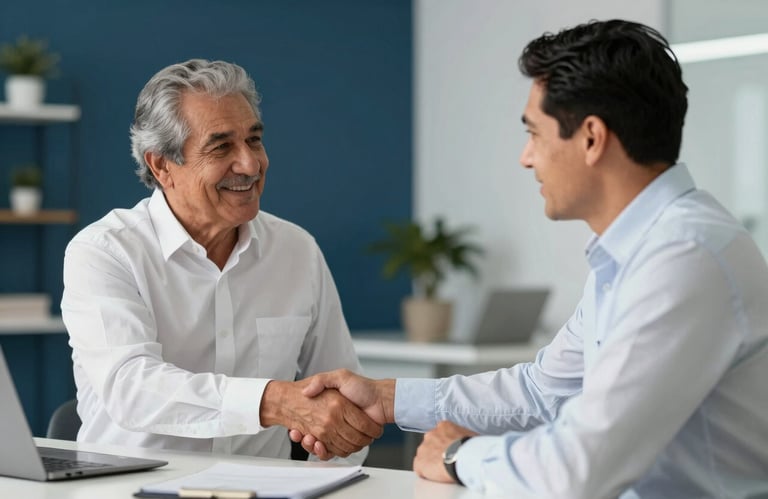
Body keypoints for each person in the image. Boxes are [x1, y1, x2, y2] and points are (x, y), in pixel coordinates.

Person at [292, 19, 768, 497]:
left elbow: (579, 468)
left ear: (591, 138)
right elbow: (542, 392)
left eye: (535, 134)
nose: (526, 157)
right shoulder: (639, 252)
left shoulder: (684, 256)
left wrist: (458, 455)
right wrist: (387, 398)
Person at [60, 59, 380, 463]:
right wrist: (273, 400)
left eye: (254, 140)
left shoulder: (297, 250)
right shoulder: (104, 252)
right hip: (132, 488)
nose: (250, 164)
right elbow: (132, 388)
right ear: (161, 165)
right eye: (221, 146)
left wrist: (327, 478)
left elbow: (342, 399)